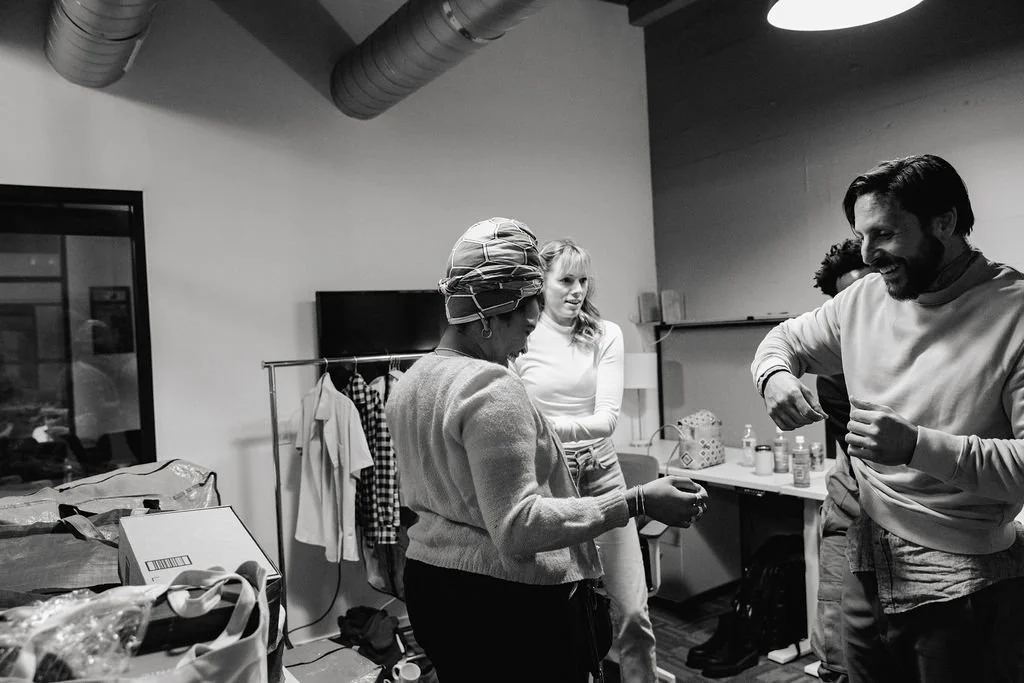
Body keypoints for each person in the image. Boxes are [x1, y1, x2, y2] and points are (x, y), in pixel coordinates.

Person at [385, 217, 709, 682]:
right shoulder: (491, 389)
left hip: (431, 586)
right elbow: (517, 527)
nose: (524, 347)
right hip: (502, 602)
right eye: (523, 327)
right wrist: (638, 500)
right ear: (490, 317)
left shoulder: (411, 383)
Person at [751, 154, 1024, 683]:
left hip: (960, 570)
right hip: (868, 543)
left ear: (943, 222)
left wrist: (917, 446)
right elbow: (783, 339)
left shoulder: (1014, 313)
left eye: (886, 234)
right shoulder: (863, 299)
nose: (870, 254)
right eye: (861, 237)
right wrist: (775, 377)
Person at [513, 238, 663, 682]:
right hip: (546, 477)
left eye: (583, 281)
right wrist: (538, 427)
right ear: (540, 283)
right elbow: (514, 418)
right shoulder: (521, 337)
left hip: (600, 469)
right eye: (565, 280)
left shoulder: (605, 333)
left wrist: (541, 423)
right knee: (561, 617)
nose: (577, 290)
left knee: (633, 610)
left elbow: (606, 421)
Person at [808, 238, 873, 683]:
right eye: (845, 301)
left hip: (920, 516)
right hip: (852, 505)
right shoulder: (833, 377)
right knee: (837, 650)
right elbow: (864, 455)